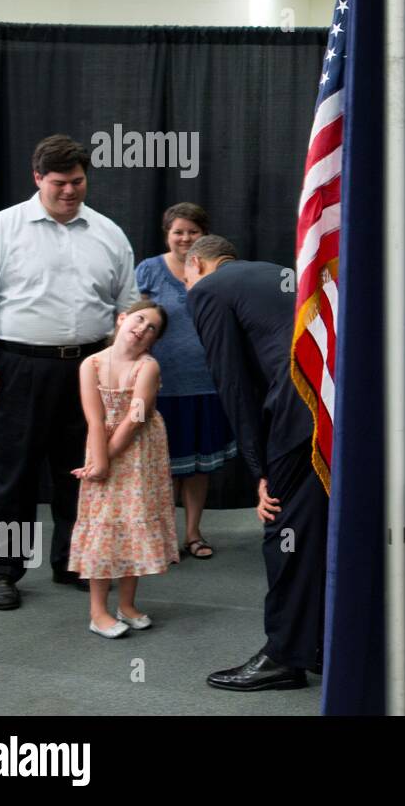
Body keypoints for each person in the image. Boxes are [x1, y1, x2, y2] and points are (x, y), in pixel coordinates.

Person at [0, 134, 139, 610]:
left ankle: (73, 561)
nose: (69, 191)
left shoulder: (109, 233)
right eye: (59, 182)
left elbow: (128, 305)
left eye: (78, 181)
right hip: (18, 367)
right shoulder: (3, 228)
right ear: (37, 178)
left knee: (82, 471)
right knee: (12, 476)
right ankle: (2, 572)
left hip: (90, 368)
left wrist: (120, 366)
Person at [183, 235, 328, 690]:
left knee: (284, 530)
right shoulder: (273, 271)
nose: (187, 290)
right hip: (334, 401)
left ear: (199, 265)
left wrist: (259, 469)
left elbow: (233, 384)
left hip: (299, 412)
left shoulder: (209, 290)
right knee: (318, 531)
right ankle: (322, 643)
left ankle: (284, 656)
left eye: (186, 278)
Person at [69, 300, 180, 638]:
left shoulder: (148, 367)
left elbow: (135, 419)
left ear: (153, 341)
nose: (143, 328)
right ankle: (98, 611)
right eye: (140, 319)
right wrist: (98, 459)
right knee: (104, 525)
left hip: (139, 451)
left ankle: (127, 604)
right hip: (102, 443)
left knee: (132, 523)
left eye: (152, 329)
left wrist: (106, 460)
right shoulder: (91, 363)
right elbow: (94, 416)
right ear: (121, 319)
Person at [135, 203, 238, 560]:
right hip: (160, 385)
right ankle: (162, 540)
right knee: (161, 468)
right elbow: (136, 323)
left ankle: (193, 534)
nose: (185, 238)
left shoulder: (218, 271)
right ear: (167, 234)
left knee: (198, 468)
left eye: (193, 232)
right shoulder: (148, 270)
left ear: (204, 235)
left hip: (207, 383)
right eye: (178, 231)